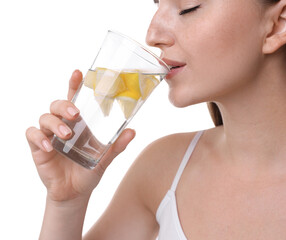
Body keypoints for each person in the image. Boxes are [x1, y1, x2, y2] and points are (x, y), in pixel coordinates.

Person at [26, 0, 286, 238]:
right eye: (157, 3)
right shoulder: (164, 170)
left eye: (188, 7)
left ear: (277, 25)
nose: (152, 36)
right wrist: (66, 202)